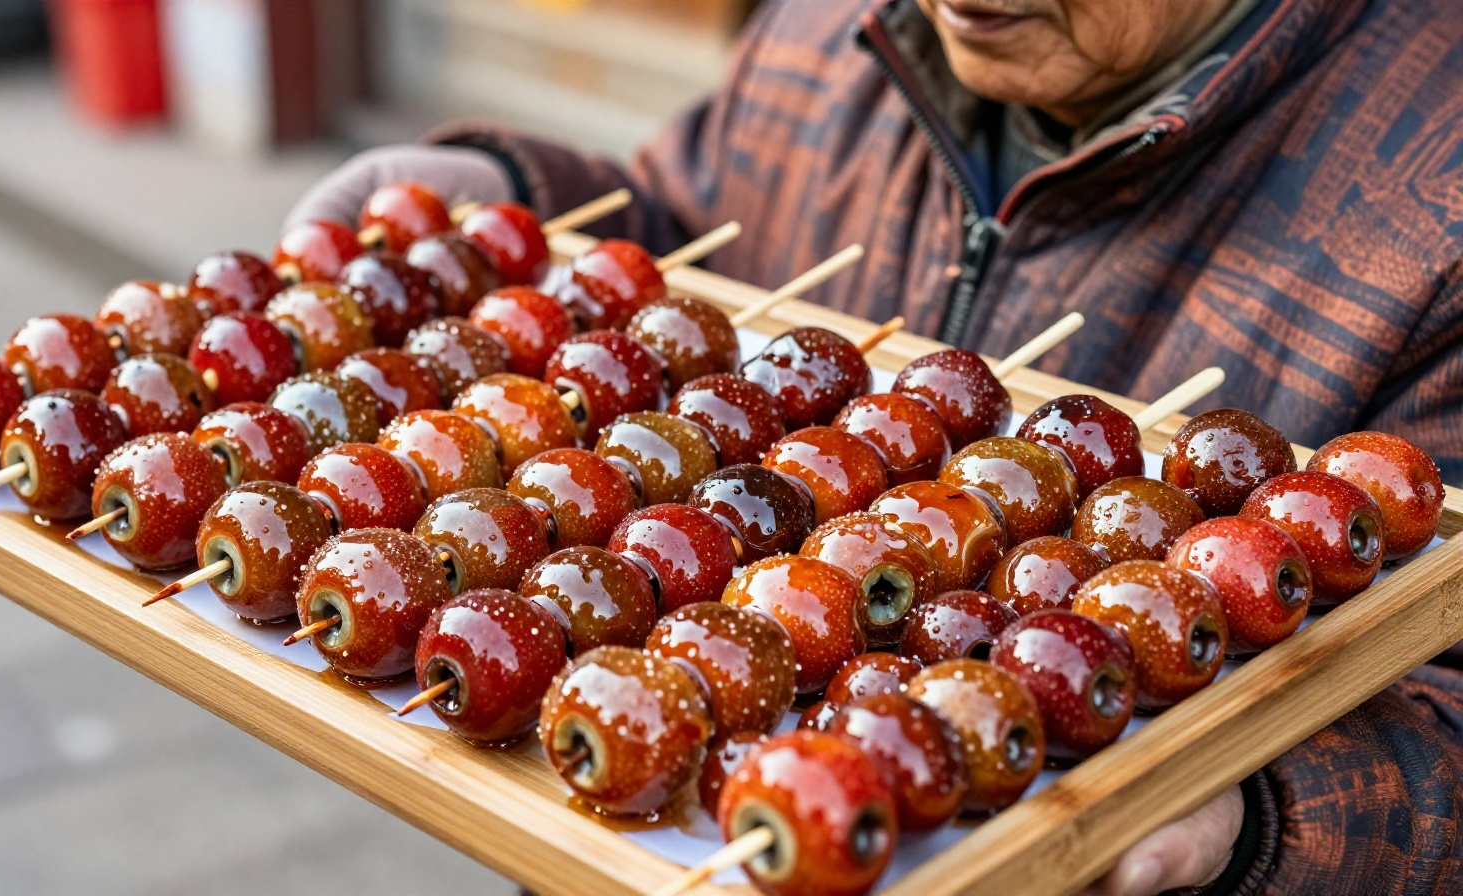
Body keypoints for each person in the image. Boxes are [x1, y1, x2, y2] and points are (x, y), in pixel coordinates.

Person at [287, 0, 1463, 892]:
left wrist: (1263, 814)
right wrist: (511, 203)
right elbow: (692, 251)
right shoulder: (818, 27)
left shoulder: (1438, 189)